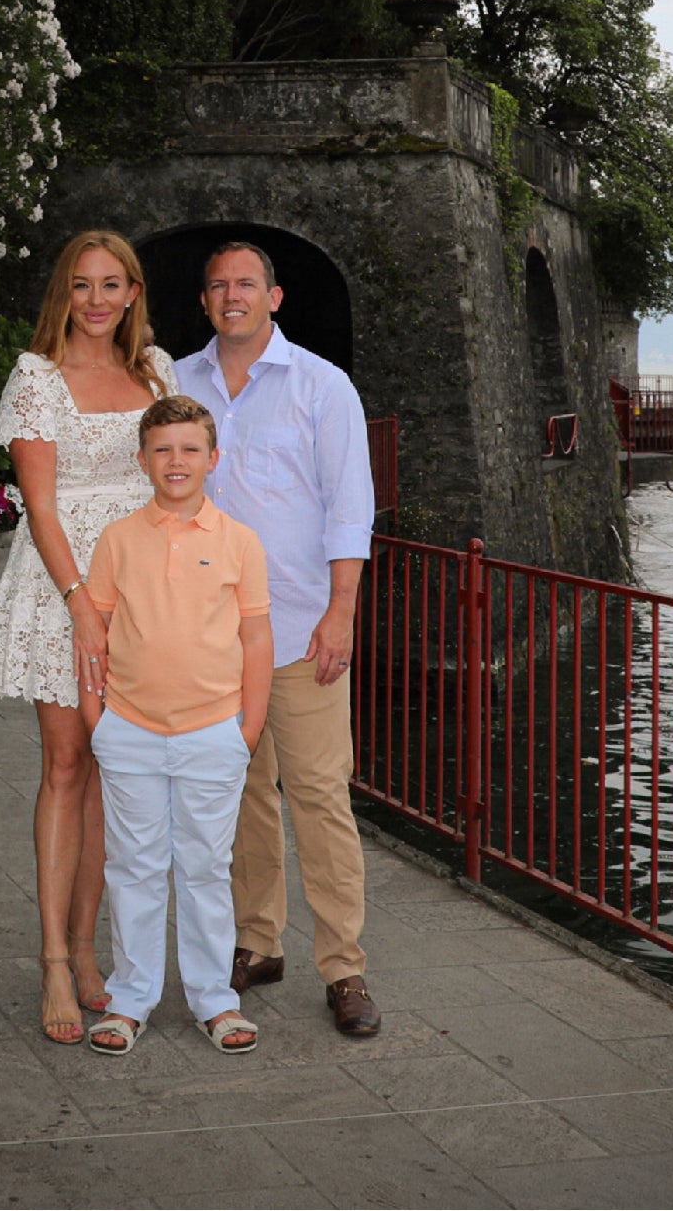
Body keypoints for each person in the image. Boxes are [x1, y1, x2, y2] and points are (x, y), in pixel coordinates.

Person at [169, 240, 385, 1038]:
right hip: (203, 634)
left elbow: (347, 504)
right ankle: (257, 943)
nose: (232, 295)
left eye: (246, 284)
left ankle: (345, 967)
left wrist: (342, 610)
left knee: (322, 795)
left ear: (275, 297)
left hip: (297, 627)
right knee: (239, 795)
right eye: (217, 284)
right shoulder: (175, 382)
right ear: (203, 302)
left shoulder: (321, 388)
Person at [0, 230, 173, 1045]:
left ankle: (91, 950)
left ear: (131, 293)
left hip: (140, 584)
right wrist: (80, 603)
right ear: (64, 292)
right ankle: (55, 960)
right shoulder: (36, 378)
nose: (96, 300)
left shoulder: (153, 370)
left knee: (112, 766)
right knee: (65, 764)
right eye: (82, 285)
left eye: (111, 284)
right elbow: (42, 506)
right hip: (63, 585)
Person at [78, 394, 273, 1057]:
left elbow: (256, 637)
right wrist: (95, 720)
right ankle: (129, 999)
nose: (176, 461)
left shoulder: (239, 543)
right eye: (161, 449)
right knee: (131, 866)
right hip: (128, 729)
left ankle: (214, 1000)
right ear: (142, 460)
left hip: (213, 731)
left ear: (212, 459)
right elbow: (93, 636)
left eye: (189, 448)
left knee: (203, 868)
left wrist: (247, 729)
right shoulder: (118, 540)